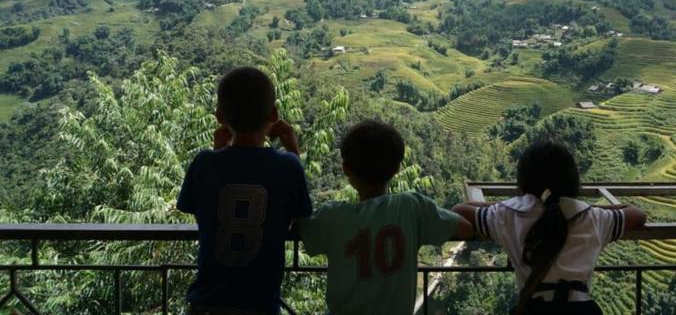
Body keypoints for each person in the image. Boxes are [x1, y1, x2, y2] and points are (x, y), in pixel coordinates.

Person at [298, 120, 473, 315]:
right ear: (398, 168)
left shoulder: (331, 216)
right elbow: (465, 228)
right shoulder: (411, 207)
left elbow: (298, 223)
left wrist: (292, 153)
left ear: (346, 168)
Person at [177, 67, 312, 315]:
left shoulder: (204, 162)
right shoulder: (287, 166)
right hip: (259, 304)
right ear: (273, 114)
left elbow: (193, 206)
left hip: (207, 304)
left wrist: (219, 152)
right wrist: (293, 151)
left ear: (219, 116)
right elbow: (300, 211)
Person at [453, 142, 646, 315]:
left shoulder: (508, 215)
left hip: (534, 308)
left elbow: (460, 210)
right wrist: (594, 208)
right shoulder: (593, 217)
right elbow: (637, 214)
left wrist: (504, 204)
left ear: (523, 181)